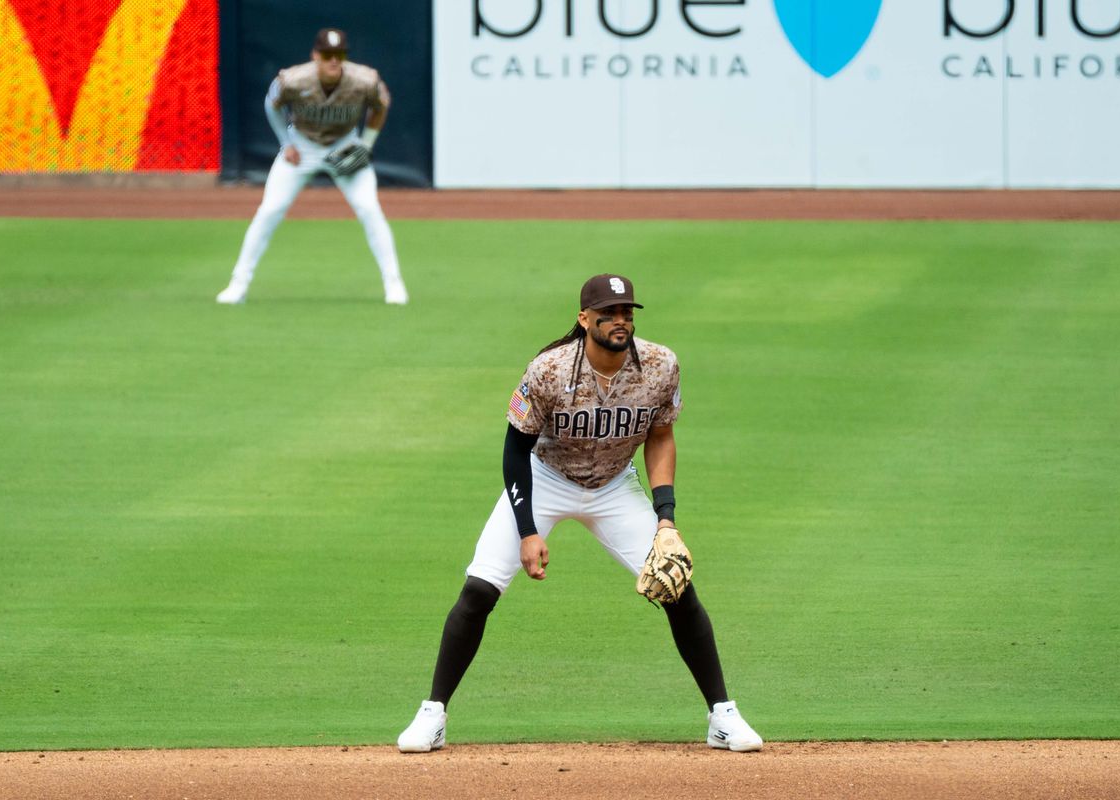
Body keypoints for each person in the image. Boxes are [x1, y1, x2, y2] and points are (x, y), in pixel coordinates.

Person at [396, 274, 763, 753]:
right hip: (544, 479)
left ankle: (723, 716)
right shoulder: (548, 370)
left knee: (676, 586)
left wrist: (666, 519)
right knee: (479, 588)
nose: (620, 321)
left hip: (614, 487)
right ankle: (433, 715)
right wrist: (527, 531)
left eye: (627, 312)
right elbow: (514, 451)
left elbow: (660, 437)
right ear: (584, 319)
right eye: (609, 313)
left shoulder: (660, 365)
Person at [216, 27, 408, 305]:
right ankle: (238, 285)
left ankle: (394, 285)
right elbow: (272, 104)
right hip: (302, 145)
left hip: (344, 144)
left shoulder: (364, 80)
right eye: (327, 54)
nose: (333, 60)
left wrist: (366, 143)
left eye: (339, 54)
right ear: (315, 55)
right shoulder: (292, 79)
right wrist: (286, 142)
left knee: (369, 209)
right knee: (270, 210)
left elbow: (381, 105)